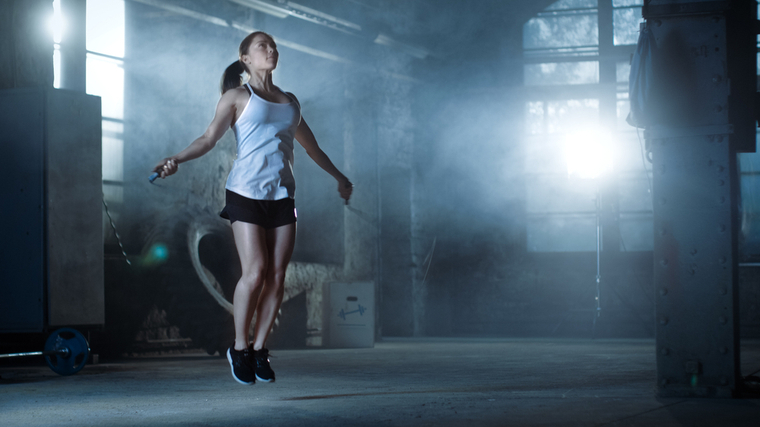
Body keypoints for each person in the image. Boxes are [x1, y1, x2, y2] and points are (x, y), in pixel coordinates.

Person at [152, 31, 353, 385]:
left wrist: (340, 177)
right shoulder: (237, 97)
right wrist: (176, 159)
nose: (271, 48)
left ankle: (260, 349)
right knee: (256, 271)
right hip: (245, 193)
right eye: (263, 45)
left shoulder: (291, 103)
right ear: (245, 58)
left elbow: (312, 148)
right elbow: (208, 139)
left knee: (278, 275)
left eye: (274, 44)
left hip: (282, 196)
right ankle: (240, 346)